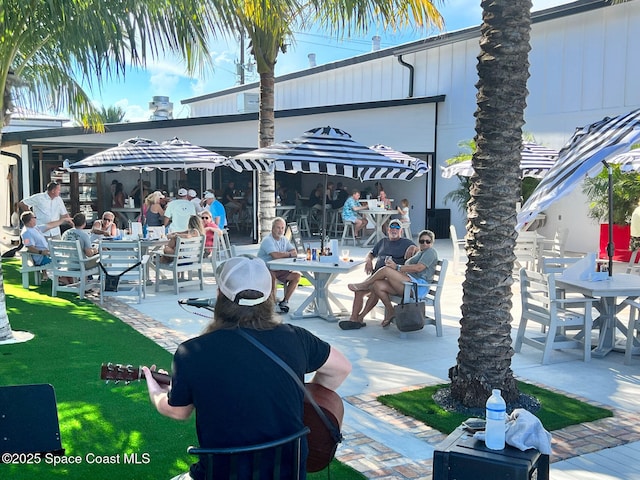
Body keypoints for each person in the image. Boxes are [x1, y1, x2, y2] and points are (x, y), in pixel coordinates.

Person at [142, 256, 351, 480]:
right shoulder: (297, 338)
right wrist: (307, 397)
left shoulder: (191, 352)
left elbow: (178, 410)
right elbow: (341, 368)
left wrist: (157, 392)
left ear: (220, 295)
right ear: (270, 296)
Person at [347, 229, 438, 327]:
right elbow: (371, 253)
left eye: (427, 241)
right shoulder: (420, 252)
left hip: (417, 286)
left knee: (386, 270)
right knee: (377, 285)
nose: (424, 244)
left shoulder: (430, 252)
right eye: (422, 241)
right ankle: (389, 311)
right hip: (408, 283)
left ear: (432, 243)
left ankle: (365, 284)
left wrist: (397, 267)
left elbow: (419, 268)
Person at [339, 218, 416, 330]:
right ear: (388, 230)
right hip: (376, 276)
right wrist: (369, 260)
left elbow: (419, 251)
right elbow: (371, 253)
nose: (394, 230)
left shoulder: (406, 243)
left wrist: (415, 247)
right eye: (392, 227)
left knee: (375, 287)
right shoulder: (383, 242)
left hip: (390, 280)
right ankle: (354, 319)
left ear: (401, 231)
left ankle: (361, 317)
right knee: (359, 291)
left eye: (397, 228)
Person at [257, 217, 301, 314]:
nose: (280, 230)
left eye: (282, 228)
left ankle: (284, 301)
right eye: (278, 228)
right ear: (272, 228)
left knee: (296, 276)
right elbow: (275, 255)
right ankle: (272, 305)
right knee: (271, 276)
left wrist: (287, 253)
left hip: (280, 269)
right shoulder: (267, 240)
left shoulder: (284, 239)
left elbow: (295, 251)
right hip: (265, 269)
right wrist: (288, 254)